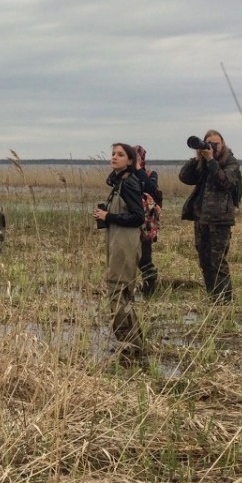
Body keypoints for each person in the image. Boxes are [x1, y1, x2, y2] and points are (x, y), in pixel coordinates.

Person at [93, 143, 146, 361]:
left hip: (125, 244)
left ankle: (130, 345)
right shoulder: (119, 183)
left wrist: (109, 217)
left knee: (117, 292)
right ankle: (133, 344)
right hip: (117, 242)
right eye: (113, 154)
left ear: (130, 161)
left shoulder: (130, 183)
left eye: (120, 155)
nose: (114, 157)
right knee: (120, 293)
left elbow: (138, 217)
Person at [179, 129, 241, 303]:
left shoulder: (231, 162)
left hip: (220, 220)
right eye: (209, 143)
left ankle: (225, 302)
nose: (212, 147)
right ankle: (213, 298)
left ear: (223, 144)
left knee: (218, 262)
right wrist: (198, 157)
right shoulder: (202, 163)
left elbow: (225, 182)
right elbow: (184, 177)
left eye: (216, 144)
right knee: (204, 261)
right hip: (201, 218)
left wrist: (212, 161)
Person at [134, 145, 160, 296]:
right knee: (128, 258)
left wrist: (137, 168)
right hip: (129, 221)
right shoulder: (124, 174)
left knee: (145, 258)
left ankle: (149, 291)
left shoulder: (151, 174)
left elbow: (151, 188)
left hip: (146, 224)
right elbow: (109, 181)